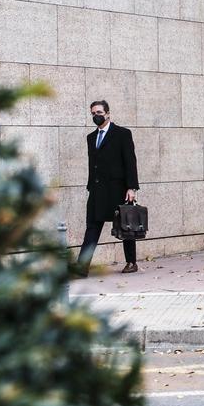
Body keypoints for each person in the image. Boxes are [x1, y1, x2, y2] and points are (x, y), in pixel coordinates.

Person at [76, 100, 140, 276]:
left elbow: (130, 162)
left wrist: (132, 187)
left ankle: (131, 262)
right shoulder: (91, 137)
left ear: (108, 113)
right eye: (93, 113)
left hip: (117, 189)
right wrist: (90, 186)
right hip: (97, 192)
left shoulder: (122, 134)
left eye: (99, 112)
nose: (96, 116)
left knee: (126, 226)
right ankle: (81, 268)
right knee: (92, 228)